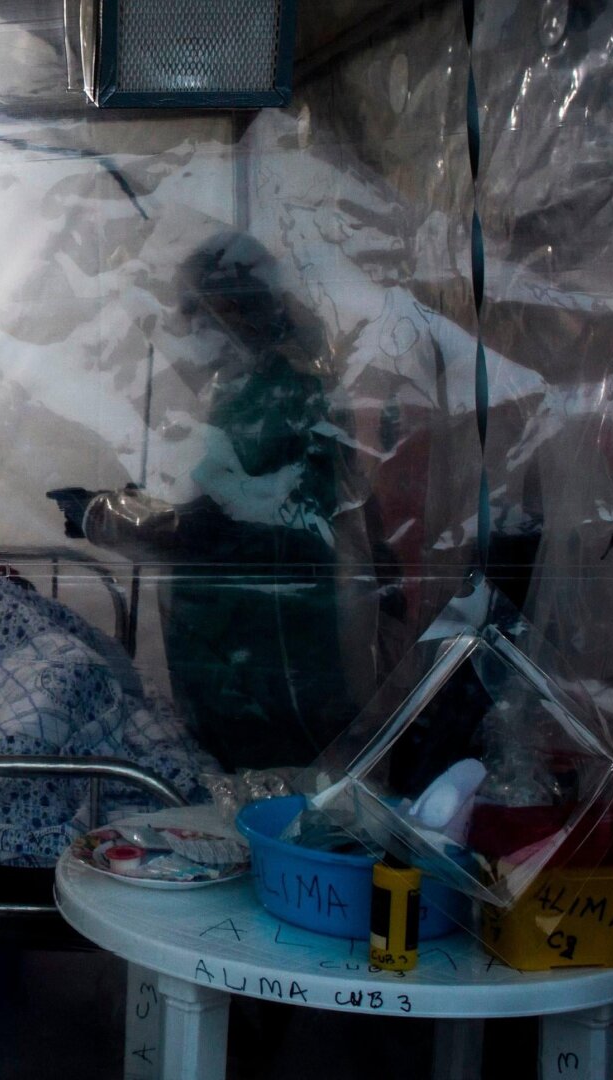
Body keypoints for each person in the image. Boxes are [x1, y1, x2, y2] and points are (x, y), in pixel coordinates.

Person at [50, 232, 383, 771]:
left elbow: (222, 527)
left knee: (277, 782)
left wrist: (106, 516)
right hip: (242, 631)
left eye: (196, 314)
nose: (188, 330)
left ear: (232, 309)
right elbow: (224, 503)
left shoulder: (280, 395)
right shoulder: (253, 388)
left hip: (265, 636)